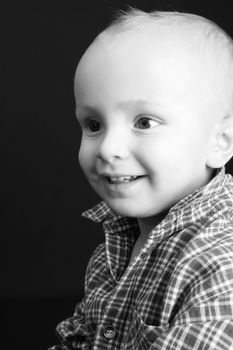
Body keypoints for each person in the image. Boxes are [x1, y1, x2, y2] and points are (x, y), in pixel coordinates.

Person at [48, 8, 233, 349]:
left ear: (220, 142)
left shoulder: (218, 261)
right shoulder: (112, 250)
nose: (108, 148)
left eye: (144, 122)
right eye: (93, 125)